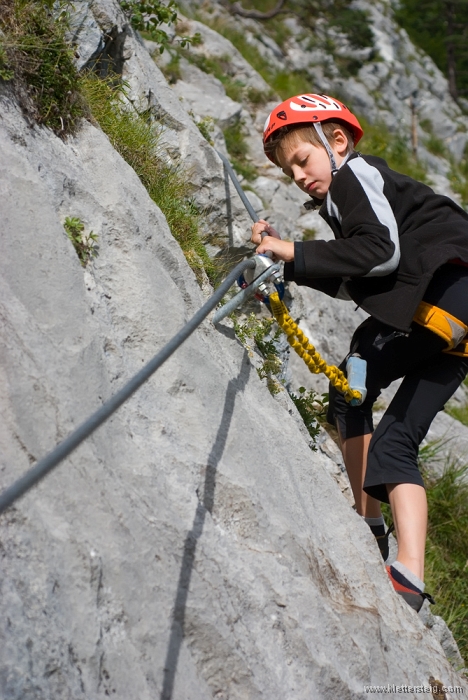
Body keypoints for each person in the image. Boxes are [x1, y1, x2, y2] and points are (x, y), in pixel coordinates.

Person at [251, 93, 468, 612]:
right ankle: (408, 575)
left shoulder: (357, 176)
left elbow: (378, 252)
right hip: (455, 321)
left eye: (302, 159)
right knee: (390, 435)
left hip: (442, 298)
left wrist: (289, 252)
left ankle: (367, 519)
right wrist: (291, 265)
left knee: (352, 378)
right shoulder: (348, 203)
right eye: (289, 171)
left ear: (338, 141)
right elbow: (361, 281)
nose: (299, 175)